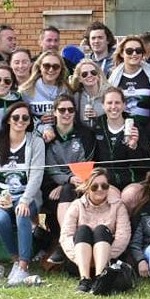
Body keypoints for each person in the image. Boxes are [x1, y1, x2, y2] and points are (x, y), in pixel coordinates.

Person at [0, 102, 45, 286]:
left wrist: (25, 200)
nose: (20, 121)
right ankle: (16, 259)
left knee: (22, 214)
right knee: (1, 220)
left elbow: (36, 175)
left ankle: (23, 267)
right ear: (9, 119)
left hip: (26, 195)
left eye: (25, 117)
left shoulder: (36, 142)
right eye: (16, 117)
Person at [42, 94, 98, 264]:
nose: (66, 113)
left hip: (82, 183)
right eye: (62, 110)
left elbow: (87, 164)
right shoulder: (48, 136)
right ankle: (66, 243)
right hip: (52, 185)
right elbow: (49, 167)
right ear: (55, 112)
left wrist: (69, 181)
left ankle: (63, 244)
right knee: (64, 191)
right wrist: (66, 180)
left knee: (68, 191)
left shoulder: (85, 134)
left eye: (71, 110)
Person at [60, 168, 131, 294]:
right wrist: (80, 258)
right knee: (83, 230)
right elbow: (66, 236)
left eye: (104, 186)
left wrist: (103, 257)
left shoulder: (118, 206)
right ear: (86, 188)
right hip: (80, 262)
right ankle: (84, 280)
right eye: (94, 186)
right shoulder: (76, 205)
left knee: (101, 230)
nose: (100, 189)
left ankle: (101, 279)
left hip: (108, 262)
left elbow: (123, 236)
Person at [94, 87, 145, 190]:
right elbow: (92, 161)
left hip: (131, 182)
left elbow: (144, 166)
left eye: (117, 102)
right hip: (104, 183)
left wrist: (133, 146)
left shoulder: (136, 127)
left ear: (124, 105)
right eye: (109, 103)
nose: (113, 107)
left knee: (129, 196)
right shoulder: (96, 127)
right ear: (103, 105)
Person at [109, 36, 150, 126]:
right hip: (121, 130)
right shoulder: (113, 78)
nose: (134, 54)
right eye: (129, 51)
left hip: (147, 130)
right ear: (121, 53)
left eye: (138, 51)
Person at [20, 51, 69, 124]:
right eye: (46, 66)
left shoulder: (67, 91)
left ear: (61, 69)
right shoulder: (26, 90)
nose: (51, 70)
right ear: (40, 67)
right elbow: (20, 118)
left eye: (56, 66)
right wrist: (39, 121)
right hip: (35, 133)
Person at [69, 59, 112, 128]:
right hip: (86, 136)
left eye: (93, 72)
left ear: (98, 75)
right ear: (79, 79)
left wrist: (98, 118)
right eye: (84, 74)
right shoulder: (77, 97)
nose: (89, 76)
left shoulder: (109, 94)